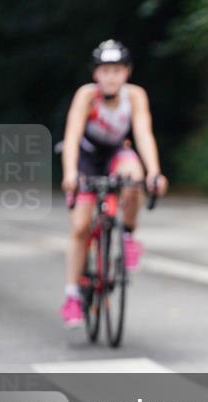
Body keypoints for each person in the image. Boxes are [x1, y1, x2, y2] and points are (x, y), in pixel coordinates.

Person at [59, 40, 168, 328]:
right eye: (105, 70)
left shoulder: (135, 96)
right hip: (87, 157)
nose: (110, 76)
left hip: (117, 152)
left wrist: (154, 173)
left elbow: (144, 134)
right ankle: (72, 294)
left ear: (126, 73)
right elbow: (71, 136)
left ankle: (129, 237)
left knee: (135, 178)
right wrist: (70, 173)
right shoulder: (86, 96)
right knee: (81, 226)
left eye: (117, 70)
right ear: (96, 73)